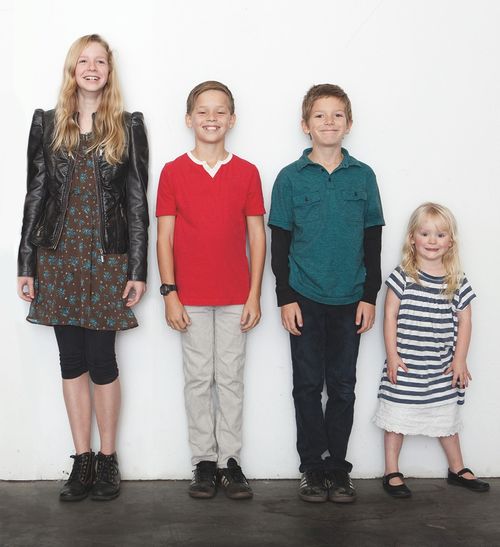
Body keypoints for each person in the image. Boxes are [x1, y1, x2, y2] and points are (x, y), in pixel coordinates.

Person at [17, 34, 149, 501]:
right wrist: (25, 261)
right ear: (72, 69)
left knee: (102, 360)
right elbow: (36, 194)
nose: (91, 68)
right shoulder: (49, 123)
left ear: (109, 71)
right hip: (56, 257)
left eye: (100, 62)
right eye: (83, 61)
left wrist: (137, 268)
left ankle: (109, 459)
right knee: (70, 360)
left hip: (107, 258)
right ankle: (82, 460)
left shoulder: (128, 126)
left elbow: (136, 201)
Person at [268, 84, 384, 503]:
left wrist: (370, 295)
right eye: (320, 115)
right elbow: (279, 244)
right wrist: (285, 297)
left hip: (350, 298)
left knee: (343, 386)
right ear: (305, 125)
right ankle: (312, 469)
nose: (329, 122)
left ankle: (338, 468)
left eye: (337, 115)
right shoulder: (289, 178)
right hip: (304, 296)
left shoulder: (364, 176)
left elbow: (373, 241)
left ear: (349, 124)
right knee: (305, 386)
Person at [156, 81, 266, 500]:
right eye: (203, 111)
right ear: (189, 119)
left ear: (232, 119)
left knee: (231, 379)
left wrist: (254, 294)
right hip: (191, 299)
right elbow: (164, 237)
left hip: (237, 296)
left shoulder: (247, 172)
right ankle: (204, 461)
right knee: (199, 379)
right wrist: (170, 292)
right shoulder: (172, 172)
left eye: (220, 111)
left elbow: (257, 237)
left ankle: (230, 462)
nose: (211, 118)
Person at [374, 203, 489, 497]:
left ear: (450, 241)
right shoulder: (402, 276)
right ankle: (391, 470)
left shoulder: (457, 281)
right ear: (413, 237)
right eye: (425, 233)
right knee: (396, 418)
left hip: (441, 365)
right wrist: (392, 355)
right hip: (407, 364)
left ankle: (457, 468)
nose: (432, 241)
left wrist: (460, 359)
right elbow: (389, 316)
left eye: (440, 235)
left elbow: (465, 320)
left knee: (446, 419)